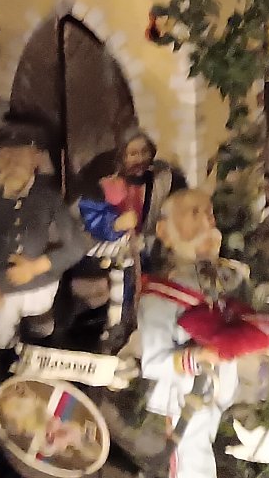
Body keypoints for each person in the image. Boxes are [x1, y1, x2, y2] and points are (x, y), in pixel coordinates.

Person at [139, 190, 269, 478]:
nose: (208, 222)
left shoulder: (212, 280)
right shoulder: (160, 296)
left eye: (209, 213)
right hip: (185, 395)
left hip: (215, 389)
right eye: (195, 214)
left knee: (199, 459)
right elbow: (153, 362)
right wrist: (198, 357)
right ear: (165, 232)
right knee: (192, 465)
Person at [0, 126, 89, 354]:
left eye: (20, 156)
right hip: (2, 288)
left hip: (42, 285)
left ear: (35, 159)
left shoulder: (49, 199)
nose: (12, 163)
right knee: (2, 340)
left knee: (42, 334)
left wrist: (36, 267)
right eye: (5, 156)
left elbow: (77, 246)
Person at [77, 130, 187, 336]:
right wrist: (115, 224)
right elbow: (91, 215)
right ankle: (116, 325)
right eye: (133, 154)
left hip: (145, 246)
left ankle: (142, 322)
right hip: (109, 248)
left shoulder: (159, 179)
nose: (140, 159)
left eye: (145, 152)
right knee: (120, 283)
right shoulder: (103, 182)